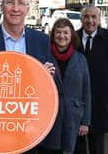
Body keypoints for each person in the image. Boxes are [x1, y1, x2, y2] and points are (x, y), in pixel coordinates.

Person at [0, 0, 62, 154]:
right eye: (10, 2)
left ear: (28, 8)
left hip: (31, 131)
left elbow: (55, 87)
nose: (15, 8)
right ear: (2, 7)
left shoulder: (42, 40)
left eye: (21, 3)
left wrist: (45, 76)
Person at [74, 5, 108, 154]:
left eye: (93, 17)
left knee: (97, 148)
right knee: (77, 148)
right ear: (81, 19)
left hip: (99, 106)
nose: (90, 20)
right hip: (76, 105)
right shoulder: (73, 38)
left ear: (99, 19)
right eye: (86, 17)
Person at [39, 18, 91, 154]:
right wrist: (41, 73)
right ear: (53, 34)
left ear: (71, 35)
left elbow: (86, 92)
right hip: (49, 117)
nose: (62, 36)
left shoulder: (80, 59)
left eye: (66, 32)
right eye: (58, 32)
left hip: (73, 117)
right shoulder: (44, 57)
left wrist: (85, 121)